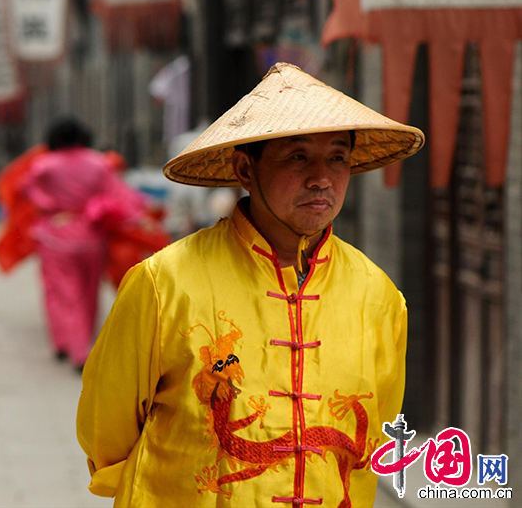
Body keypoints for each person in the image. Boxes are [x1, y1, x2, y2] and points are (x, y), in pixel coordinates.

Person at [77, 63, 425, 506]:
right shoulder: (164, 283)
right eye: (298, 157)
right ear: (245, 169)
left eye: (337, 157)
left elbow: (373, 437)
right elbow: (104, 431)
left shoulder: (377, 296)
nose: (322, 178)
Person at [22, 119, 142, 371]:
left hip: (56, 237)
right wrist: (142, 219)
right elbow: (118, 195)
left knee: (61, 293)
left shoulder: (45, 165)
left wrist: (51, 206)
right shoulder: (99, 163)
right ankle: (83, 342)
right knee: (89, 293)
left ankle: (70, 347)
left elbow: (27, 189)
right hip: (93, 237)